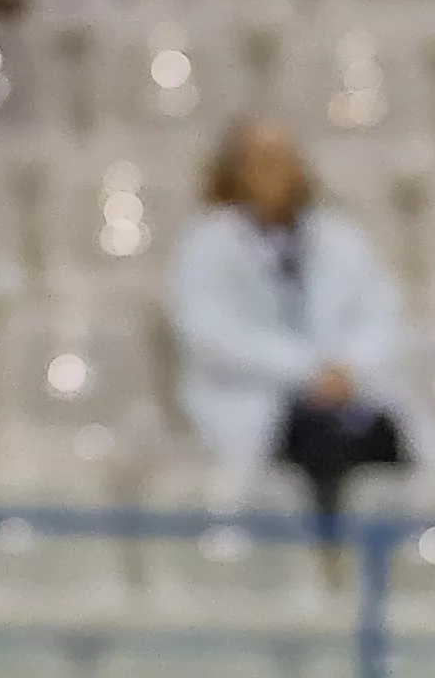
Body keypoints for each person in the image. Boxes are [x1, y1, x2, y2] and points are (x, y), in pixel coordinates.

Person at [170, 116, 412, 512]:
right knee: (320, 447)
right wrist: (310, 372)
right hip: (259, 403)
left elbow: (379, 316)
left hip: (345, 397)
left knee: (382, 442)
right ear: (233, 171)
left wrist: (346, 370)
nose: (274, 172)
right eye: (260, 160)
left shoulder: (340, 237)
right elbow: (209, 335)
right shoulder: (208, 243)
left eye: (283, 159)